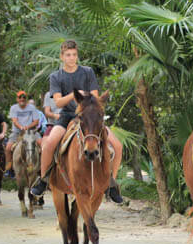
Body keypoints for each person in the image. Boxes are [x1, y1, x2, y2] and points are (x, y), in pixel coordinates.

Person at [30, 40, 123, 202]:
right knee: (49, 144)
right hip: (67, 116)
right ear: (62, 56)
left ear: (77, 55)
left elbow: (94, 95)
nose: (71, 58)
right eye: (68, 55)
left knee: (117, 146)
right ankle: (43, 180)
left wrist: (87, 100)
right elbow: (58, 102)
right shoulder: (56, 77)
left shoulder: (87, 72)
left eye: (73, 55)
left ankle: (111, 183)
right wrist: (75, 94)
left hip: (88, 117)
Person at [4, 90, 41, 177]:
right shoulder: (13, 108)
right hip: (17, 132)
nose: (22, 99)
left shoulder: (32, 108)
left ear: (26, 99)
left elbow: (36, 121)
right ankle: (9, 169)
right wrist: (21, 127)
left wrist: (27, 127)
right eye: (20, 97)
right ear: (17, 99)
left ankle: (41, 168)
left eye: (24, 97)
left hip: (31, 131)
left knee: (42, 144)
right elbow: (14, 120)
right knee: (8, 148)